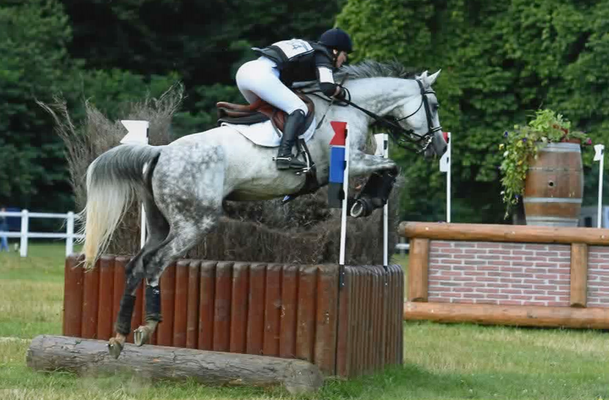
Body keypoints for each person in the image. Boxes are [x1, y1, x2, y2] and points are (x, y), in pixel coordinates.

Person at [236, 27, 353, 170]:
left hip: (245, 71)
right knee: (299, 108)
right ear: (335, 51)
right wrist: (341, 92)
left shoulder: (307, 47)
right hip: (262, 75)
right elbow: (327, 87)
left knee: (273, 113)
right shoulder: (323, 54)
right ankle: (284, 156)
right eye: (344, 54)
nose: (345, 59)